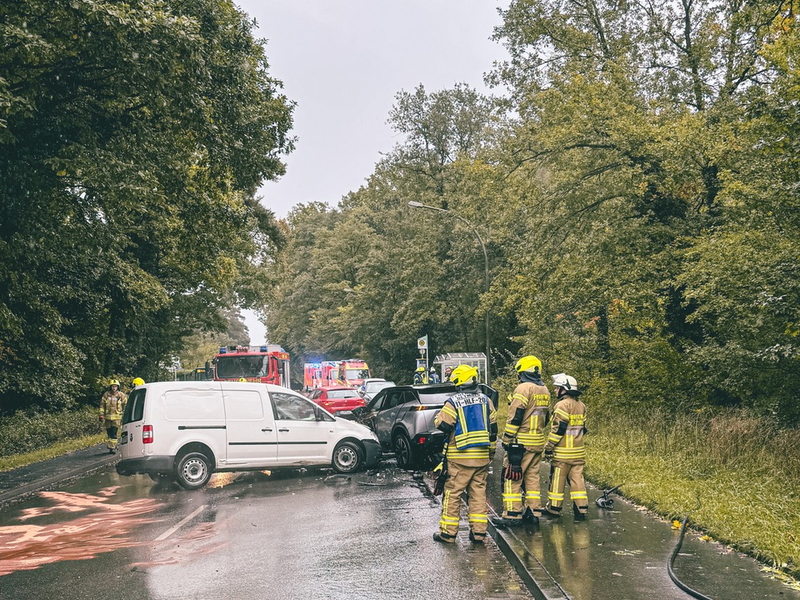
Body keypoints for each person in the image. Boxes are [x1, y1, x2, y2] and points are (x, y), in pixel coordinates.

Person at [432, 364, 497, 544]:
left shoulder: (454, 402)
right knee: (478, 495)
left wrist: (437, 417)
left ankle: (448, 533)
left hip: (459, 459)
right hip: (482, 458)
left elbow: (443, 424)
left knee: (452, 495)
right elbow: (493, 431)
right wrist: (491, 453)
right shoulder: (486, 401)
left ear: (460, 381)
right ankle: (478, 533)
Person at [496, 355, 551, 526]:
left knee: (513, 477)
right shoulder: (545, 390)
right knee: (532, 478)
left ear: (523, 372)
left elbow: (516, 416)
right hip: (537, 441)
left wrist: (506, 439)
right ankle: (533, 512)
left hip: (520, 444)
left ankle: (512, 514)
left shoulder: (522, 389)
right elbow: (546, 417)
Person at [544, 373, 588, 518]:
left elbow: (558, 429)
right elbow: (583, 429)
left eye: (557, 388)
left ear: (565, 389)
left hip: (563, 453)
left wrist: (549, 447)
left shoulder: (562, 405)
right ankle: (581, 508)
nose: (555, 391)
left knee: (557, 480)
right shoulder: (581, 405)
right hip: (578, 452)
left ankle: (554, 509)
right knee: (577, 480)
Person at [99, 379, 127, 454]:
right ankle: (112, 446)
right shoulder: (106, 395)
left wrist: (126, 414)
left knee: (114, 433)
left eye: (115, 386)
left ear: (118, 387)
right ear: (110, 387)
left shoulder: (121, 395)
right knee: (109, 433)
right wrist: (101, 415)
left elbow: (126, 405)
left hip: (117, 418)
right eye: (113, 386)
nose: (114, 388)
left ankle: (112, 448)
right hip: (108, 418)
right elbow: (102, 405)